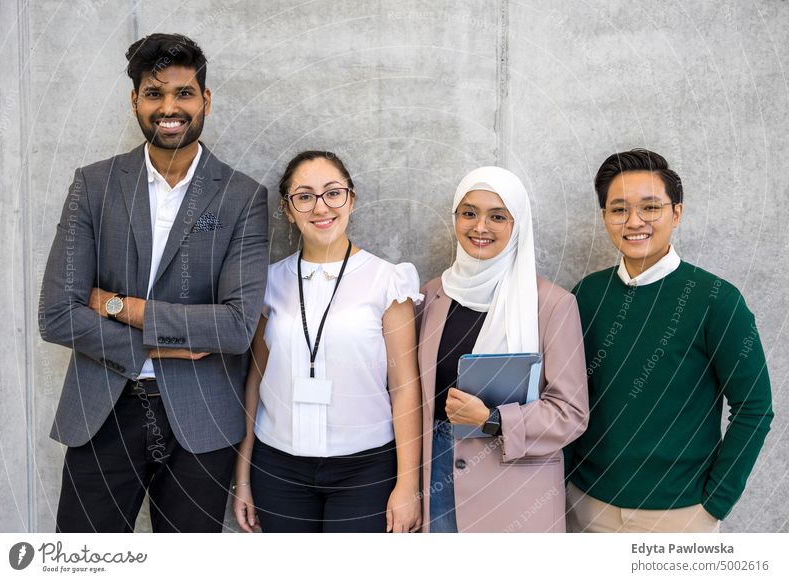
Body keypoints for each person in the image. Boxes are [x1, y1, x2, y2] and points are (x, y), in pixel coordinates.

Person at [38, 33, 269, 532]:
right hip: (103, 410)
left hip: (200, 419)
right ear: (135, 100)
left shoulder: (243, 197)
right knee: (84, 564)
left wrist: (121, 307)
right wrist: (166, 345)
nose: (170, 107)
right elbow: (57, 313)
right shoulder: (94, 185)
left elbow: (233, 328)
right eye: (154, 93)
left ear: (205, 99)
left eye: (183, 93)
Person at [566, 149, 773, 533]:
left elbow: (755, 407)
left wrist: (715, 503)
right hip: (585, 505)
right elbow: (565, 396)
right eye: (619, 209)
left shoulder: (716, 299)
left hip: (679, 515)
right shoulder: (585, 295)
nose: (634, 222)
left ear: (676, 213)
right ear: (605, 218)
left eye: (650, 207)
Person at [232, 151, 423, 533]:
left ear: (351, 199)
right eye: (304, 196)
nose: (321, 207)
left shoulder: (388, 281)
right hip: (278, 467)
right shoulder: (267, 283)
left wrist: (408, 484)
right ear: (288, 210)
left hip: (365, 469)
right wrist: (243, 478)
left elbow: (405, 388)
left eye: (333, 193)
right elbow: (254, 381)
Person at [417, 166, 589, 533]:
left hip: (514, 488)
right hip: (434, 478)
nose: (480, 227)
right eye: (469, 213)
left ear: (518, 224)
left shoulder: (551, 305)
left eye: (497, 216)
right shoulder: (431, 296)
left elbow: (571, 413)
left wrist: (493, 419)